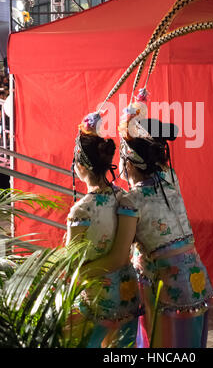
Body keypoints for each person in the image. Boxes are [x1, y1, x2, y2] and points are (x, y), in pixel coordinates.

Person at [118, 116, 213, 348]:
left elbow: (120, 253)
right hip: (196, 281)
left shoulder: (131, 201)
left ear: (129, 163)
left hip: (166, 289)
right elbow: (158, 162)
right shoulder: (171, 179)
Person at [65, 112, 141, 348]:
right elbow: (121, 255)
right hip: (128, 292)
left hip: (98, 295)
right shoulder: (125, 199)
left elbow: (72, 264)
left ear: (79, 166)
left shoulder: (81, 211)